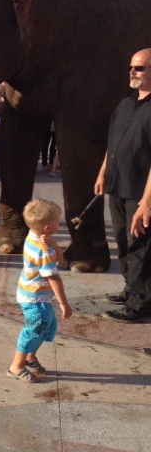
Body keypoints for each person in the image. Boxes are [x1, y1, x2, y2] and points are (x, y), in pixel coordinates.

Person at [96, 48, 151, 323]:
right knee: (122, 243)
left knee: (139, 247)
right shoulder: (126, 103)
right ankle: (131, 290)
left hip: (141, 192)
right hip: (119, 186)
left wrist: (146, 202)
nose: (132, 72)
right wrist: (104, 172)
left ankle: (140, 304)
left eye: (139, 68)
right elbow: (113, 142)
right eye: (131, 67)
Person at [8, 199, 72, 382]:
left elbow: (60, 259)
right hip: (34, 298)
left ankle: (29, 357)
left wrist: (53, 242)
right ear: (47, 227)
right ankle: (16, 366)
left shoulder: (33, 236)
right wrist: (64, 303)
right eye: (57, 222)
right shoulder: (43, 251)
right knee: (34, 329)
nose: (59, 224)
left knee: (48, 326)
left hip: (35, 294)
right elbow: (54, 277)